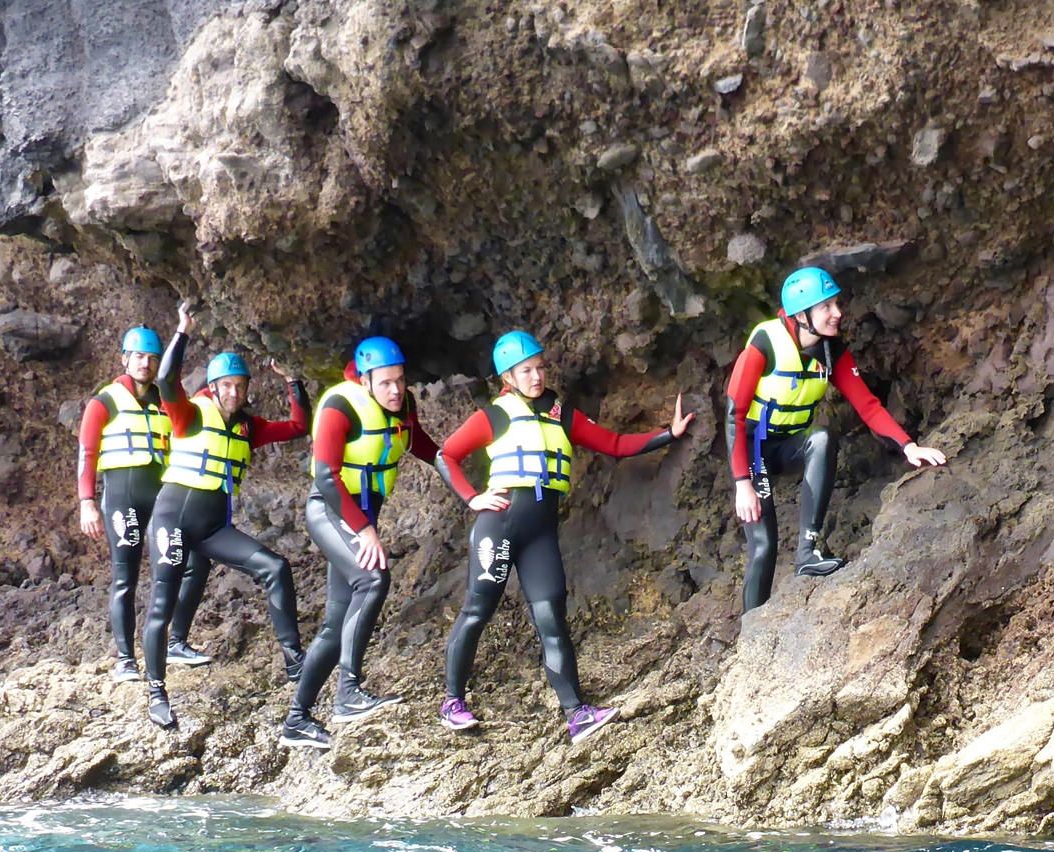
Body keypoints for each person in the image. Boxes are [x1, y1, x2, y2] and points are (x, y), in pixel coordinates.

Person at [433, 330, 693, 742]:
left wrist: (669, 434)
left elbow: (617, 444)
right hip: (498, 525)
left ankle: (577, 714)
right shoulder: (495, 415)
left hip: (540, 532)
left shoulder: (561, 414)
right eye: (526, 371)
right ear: (509, 377)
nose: (536, 377)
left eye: (539, 368)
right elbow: (445, 454)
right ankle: (452, 702)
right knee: (477, 610)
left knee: (552, 618)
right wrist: (473, 498)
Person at [724, 266, 947, 613]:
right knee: (764, 544)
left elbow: (868, 405)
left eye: (836, 304)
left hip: (787, 445)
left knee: (823, 439)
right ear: (801, 314)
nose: (837, 313)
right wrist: (742, 484)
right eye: (826, 307)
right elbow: (734, 415)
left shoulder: (832, 351)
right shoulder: (765, 342)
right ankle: (751, 630)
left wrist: (909, 446)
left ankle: (808, 552)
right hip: (753, 451)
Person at [140, 303, 311, 728]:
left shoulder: (247, 428)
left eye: (240, 386)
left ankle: (295, 662)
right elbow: (165, 379)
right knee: (162, 604)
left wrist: (293, 381)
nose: (234, 393)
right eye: (227, 386)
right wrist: (182, 332)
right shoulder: (189, 414)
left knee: (276, 567)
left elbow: (298, 426)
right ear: (213, 388)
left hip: (214, 527)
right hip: (172, 521)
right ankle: (156, 690)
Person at [280, 337, 442, 750]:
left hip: (359, 518)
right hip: (330, 511)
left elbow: (422, 445)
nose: (394, 390)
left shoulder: (402, 406)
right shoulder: (340, 406)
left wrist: (463, 478)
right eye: (385, 382)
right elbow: (326, 477)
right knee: (373, 580)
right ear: (366, 380)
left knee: (336, 626)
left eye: (400, 381)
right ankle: (348, 694)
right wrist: (365, 530)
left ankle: (296, 721)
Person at [76, 326, 215, 682]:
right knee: (126, 577)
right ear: (125, 359)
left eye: (152, 358)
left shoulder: (164, 400)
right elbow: (87, 453)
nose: (146, 363)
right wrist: (87, 502)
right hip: (123, 496)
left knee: (193, 561)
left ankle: (177, 642)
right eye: (139, 356)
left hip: (163, 495)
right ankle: (125, 659)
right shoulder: (104, 401)